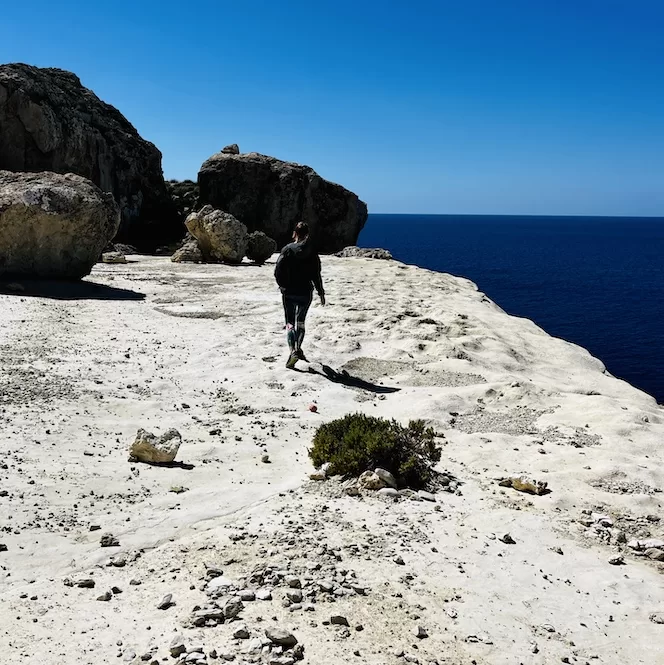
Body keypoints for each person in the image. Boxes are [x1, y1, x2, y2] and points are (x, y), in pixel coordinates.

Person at [274, 222, 325, 369]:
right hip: (306, 292)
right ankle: (298, 348)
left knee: (290, 323)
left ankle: (293, 351)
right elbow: (316, 274)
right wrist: (321, 292)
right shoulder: (312, 251)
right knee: (301, 322)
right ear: (307, 234)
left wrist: (282, 286)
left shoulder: (287, 250)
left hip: (289, 292)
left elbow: (277, 271)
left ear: (294, 233)